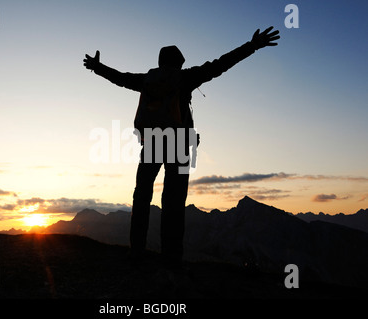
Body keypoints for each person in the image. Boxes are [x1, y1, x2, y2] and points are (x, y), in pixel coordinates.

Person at [83, 26, 280, 268]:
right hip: (179, 143)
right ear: (178, 63)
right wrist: (252, 45)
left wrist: (97, 67)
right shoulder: (185, 77)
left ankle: (136, 250)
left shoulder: (147, 79)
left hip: (152, 140)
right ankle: (172, 257)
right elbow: (220, 64)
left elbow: (121, 78)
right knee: (174, 202)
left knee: (142, 196)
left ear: (159, 61)